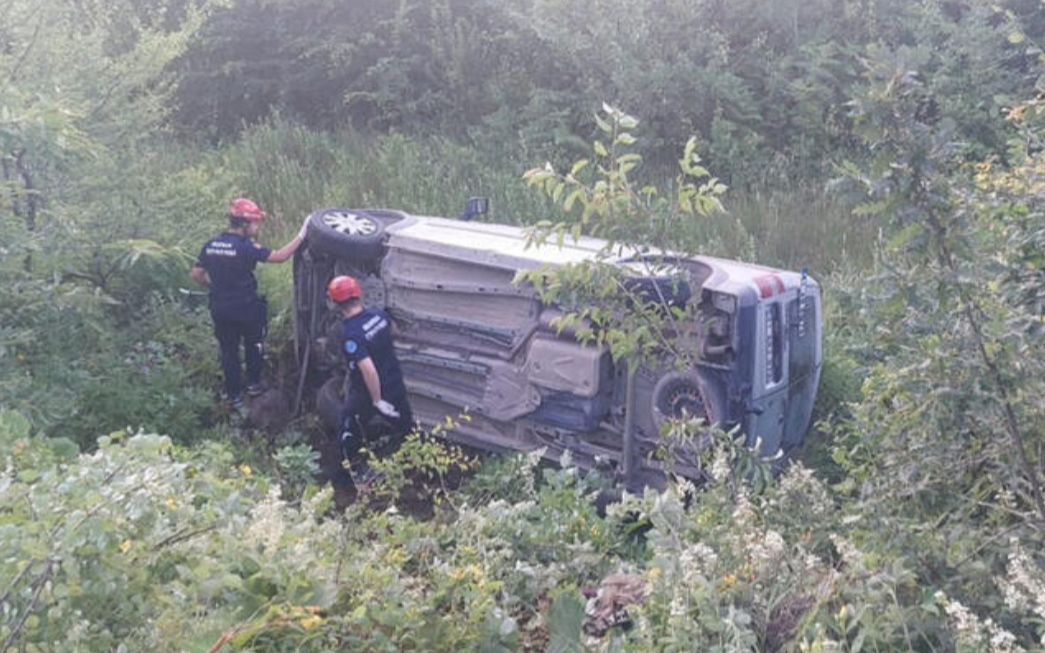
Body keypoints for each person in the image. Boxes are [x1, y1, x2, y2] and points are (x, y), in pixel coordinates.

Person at [190, 197, 309, 410]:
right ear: (244, 224)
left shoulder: (211, 244)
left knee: (229, 351)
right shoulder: (246, 247)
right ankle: (254, 385)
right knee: (254, 345)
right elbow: (280, 256)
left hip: (220, 307)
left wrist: (217, 285)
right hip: (246, 307)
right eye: (256, 223)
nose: (257, 227)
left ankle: (234, 395)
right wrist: (302, 233)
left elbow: (197, 274)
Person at [327, 274, 414, 483]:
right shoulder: (379, 316)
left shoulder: (351, 335)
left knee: (348, 429)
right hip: (394, 382)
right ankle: (411, 464)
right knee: (406, 427)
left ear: (336, 304)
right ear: (358, 294)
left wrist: (376, 400)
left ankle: (344, 479)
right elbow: (394, 330)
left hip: (367, 393)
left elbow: (368, 369)